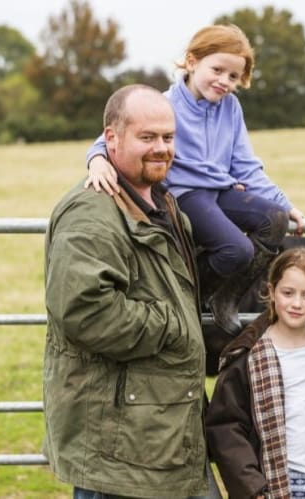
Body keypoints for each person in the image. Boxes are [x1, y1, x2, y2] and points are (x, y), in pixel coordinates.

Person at [43, 84, 218, 498]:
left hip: (161, 429)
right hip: (120, 446)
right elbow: (86, 312)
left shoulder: (163, 204)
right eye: (147, 137)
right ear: (111, 139)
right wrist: (176, 326)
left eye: (168, 137)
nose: (161, 148)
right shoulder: (93, 212)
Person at [84, 24, 304, 335]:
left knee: (275, 220)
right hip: (186, 194)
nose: (224, 81)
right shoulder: (166, 103)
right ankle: (187, 296)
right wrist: (96, 161)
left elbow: (245, 165)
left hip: (221, 189)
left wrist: (284, 203)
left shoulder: (231, 107)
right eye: (217, 69)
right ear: (191, 62)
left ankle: (227, 296)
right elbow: (105, 140)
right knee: (237, 249)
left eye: (233, 77)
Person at [205, 247, 305, 499]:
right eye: (287, 293)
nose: (296, 303)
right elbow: (226, 426)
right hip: (275, 483)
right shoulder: (247, 357)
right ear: (271, 292)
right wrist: (252, 487)